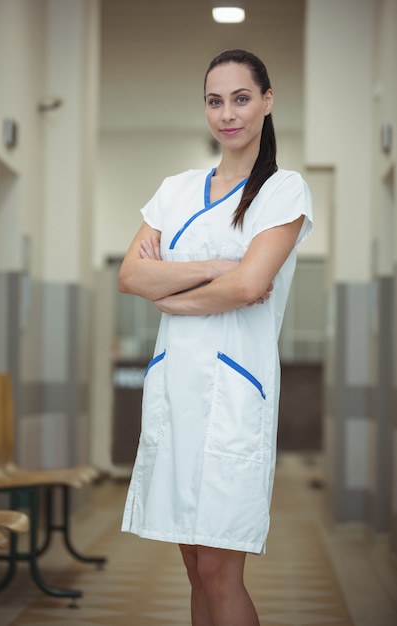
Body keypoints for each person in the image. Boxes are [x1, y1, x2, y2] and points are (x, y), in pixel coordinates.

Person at [118, 48, 313, 626]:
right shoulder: (174, 190)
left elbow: (253, 286)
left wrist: (170, 292)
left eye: (241, 97)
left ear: (267, 102)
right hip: (175, 393)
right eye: (215, 100)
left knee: (219, 573)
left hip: (234, 398)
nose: (227, 113)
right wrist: (218, 267)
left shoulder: (284, 191)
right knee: (193, 568)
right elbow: (130, 275)